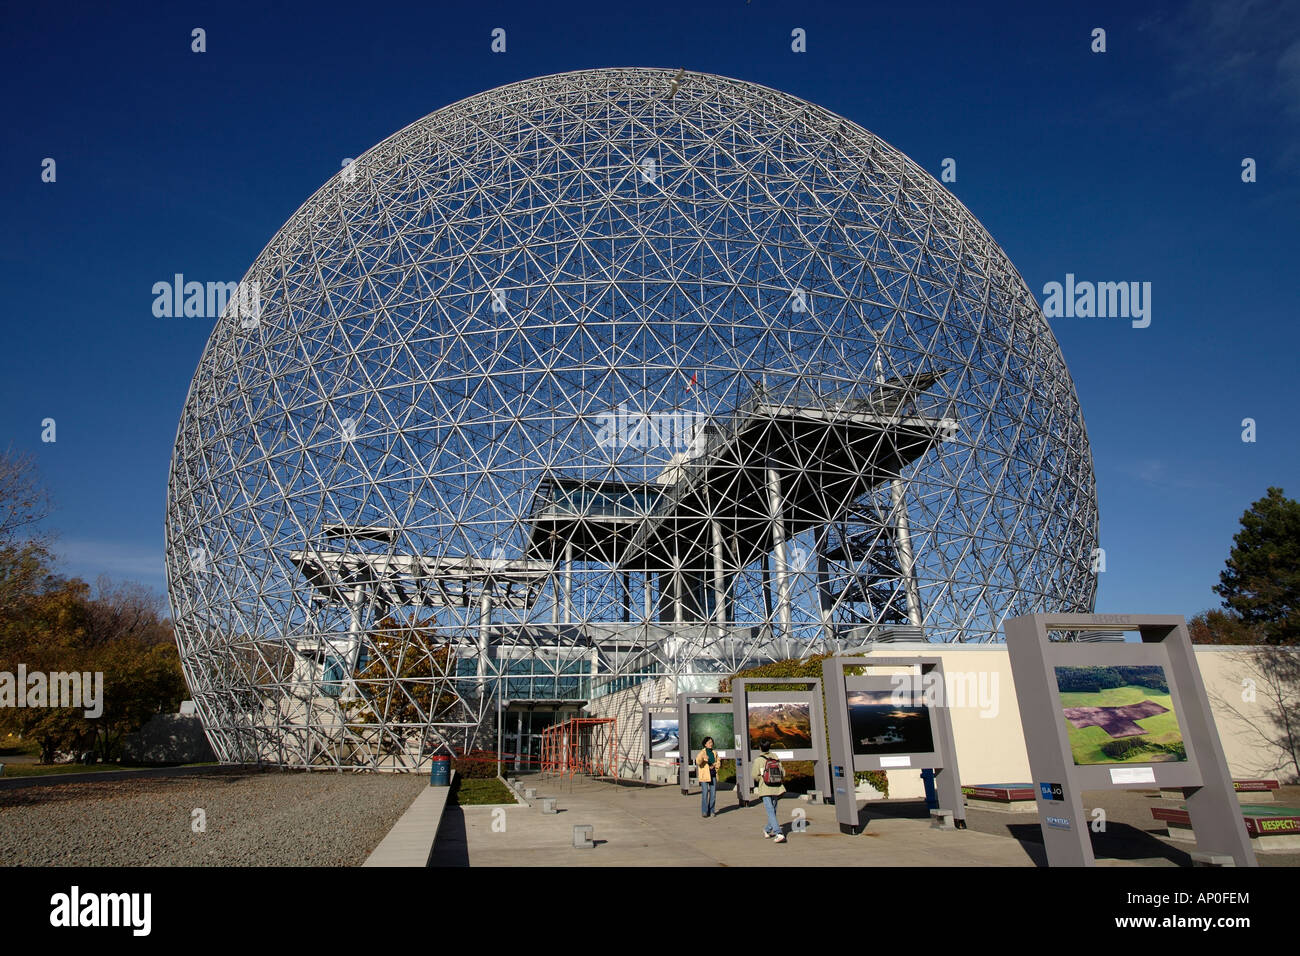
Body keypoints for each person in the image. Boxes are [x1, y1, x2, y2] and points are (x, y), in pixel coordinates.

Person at [751, 738, 786, 842]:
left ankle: (778, 833)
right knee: (773, 810)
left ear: (760, 748)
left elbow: (754, 775)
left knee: (770, 810)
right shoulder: (775, 757)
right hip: (776, 787)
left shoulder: (758, 760)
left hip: (765, 788)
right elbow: (783, 772)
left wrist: (761, 779)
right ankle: (767, 829)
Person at [695, 736, 719, 817]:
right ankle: (704, 811)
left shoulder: (714, 752)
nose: (711, 744)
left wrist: (715, 765)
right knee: (705, 793)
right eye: (709, 742)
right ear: (705, 744)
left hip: (713, 775)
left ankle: (712, 811)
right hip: (704, 776)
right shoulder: (702, 752)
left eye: (711, 742)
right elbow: (698, 762)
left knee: (713, 794)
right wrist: (703, 758)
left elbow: (718, 762)